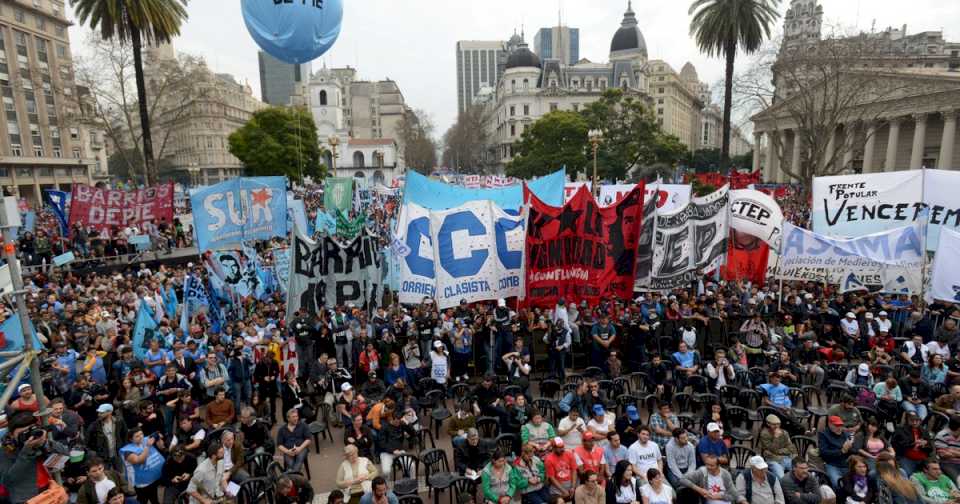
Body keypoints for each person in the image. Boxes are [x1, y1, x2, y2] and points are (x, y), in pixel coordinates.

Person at [119, 428, 165, 504]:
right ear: (131, 439)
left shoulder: (145, 440)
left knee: (154, 498)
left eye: (141, 434)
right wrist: (147, 446)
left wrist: (157, 437)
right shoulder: (127, 451)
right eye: (137, 436)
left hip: (151, 478)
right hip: (141, 482)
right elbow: (140, 460)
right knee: (142, 500)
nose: (141, 437)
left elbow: (157, 434)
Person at [678, 453, 745, 504]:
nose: (708, 467)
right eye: (707, 464)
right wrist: (699, 489)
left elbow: (734, 495)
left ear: (718, 465)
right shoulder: (702, 472)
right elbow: (682, 479)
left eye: (711, 465)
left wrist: (720, 496)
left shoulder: (725, 474)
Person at [892, 411, 933, 478]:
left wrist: (924, 445)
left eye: (917, 420)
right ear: (908, 420)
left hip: (922, 458)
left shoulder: (924, 431)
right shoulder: (900, 431)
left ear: (920, 421)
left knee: (931, 474)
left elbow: (930, 448)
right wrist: (914, 443)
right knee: (907, 474)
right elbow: (897, 446)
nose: (914, 422)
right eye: (912, 420)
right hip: (907, 457)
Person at [757, 414, 797, 478]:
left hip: (785, 458)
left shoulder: (784, 433)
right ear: (768, 424)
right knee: (781, 477)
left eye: (778, 424)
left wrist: (778, 451)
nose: (776, 426)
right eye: (774, 424)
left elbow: (791, 448)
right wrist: (776, 437)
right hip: (773, 459)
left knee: (798, 471)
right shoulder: (764, 434)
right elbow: (771, 449)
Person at [819, 415, 855, 486]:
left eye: (841, 425)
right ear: (830, 424)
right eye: (836, 425)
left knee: (853, 483)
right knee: (837, 483)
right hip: (832, 464)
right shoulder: (824, 435)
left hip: (846, 464)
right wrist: (841, 451)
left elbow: (855, 450)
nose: (839, 428)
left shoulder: (845, 434)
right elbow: (824, 453)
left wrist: (850, 447)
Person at [276, 408, 312, 473]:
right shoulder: (282, 429)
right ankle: (295, 476)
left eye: (296, 416)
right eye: (293, 417)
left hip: (301, 448)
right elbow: (279, 444)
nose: (296, 418)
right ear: (288, 419)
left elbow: (308, 439)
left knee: (299, 460)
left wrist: (300, 448)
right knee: (290, 463)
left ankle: (291, 477)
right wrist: (287, 451)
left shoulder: (303, 425)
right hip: (288, 449)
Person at [934, 416, 960, 482]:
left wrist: (951, 451)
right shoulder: (941, 435)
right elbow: (943, 455)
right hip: (947, 464)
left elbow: (947, 453)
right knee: (959, 480)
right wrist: (957, 453)